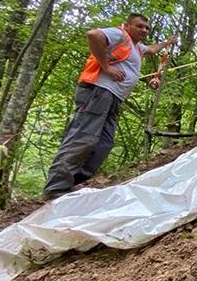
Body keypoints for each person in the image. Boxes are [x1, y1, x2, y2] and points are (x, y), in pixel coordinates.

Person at [42, 14, 174, 200]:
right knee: (83, 137)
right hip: (98, 91)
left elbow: (151, 49)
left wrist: (167, 43)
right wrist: (106, 66)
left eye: (146, 28)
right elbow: (93, 35)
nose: (144, 30)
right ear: (127, 25)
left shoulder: (136, 46)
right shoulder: (120, 35)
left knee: (104, 143)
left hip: (114, 98)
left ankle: (72, 184)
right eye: (139, 26)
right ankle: (56, 187)